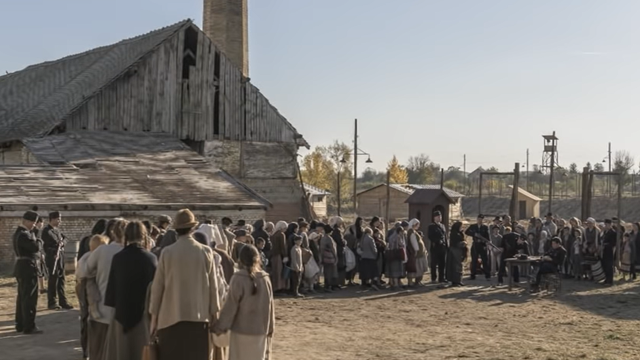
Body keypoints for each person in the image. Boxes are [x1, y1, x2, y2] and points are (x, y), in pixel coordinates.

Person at [150, 209, 221, 360]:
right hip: (199, 318)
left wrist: (154, 319)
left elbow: (157, 289)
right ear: (193, 228)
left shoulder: (167, 252)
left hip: (169, 319)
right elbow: (213, 287)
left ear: (176, 229)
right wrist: (215, 314)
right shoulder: (206, 252)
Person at [103, 221, 157, 360]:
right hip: (143, 317)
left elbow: (111, 293)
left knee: (121, 353)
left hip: (121, 315)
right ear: (144, 236)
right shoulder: (151, 259)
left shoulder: (118, 258)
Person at [213, 245, 275, 360]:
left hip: (240, 332)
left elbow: (230, 306)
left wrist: (220, 326)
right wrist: (270, 328)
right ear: (257, 259)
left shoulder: (238, 278)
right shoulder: (265, 279)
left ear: (240, 259)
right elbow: (270, 306)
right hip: (260, 331)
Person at [83, 219, 128, 360]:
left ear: (113, 232)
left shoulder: (102, 251)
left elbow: (82, 272)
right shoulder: (135, 253)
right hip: (125, 314)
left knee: (98, 351)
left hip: (101, 310)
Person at [76, 234, 108, 360]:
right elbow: (83, 273)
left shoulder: (87, 256)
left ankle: (86, 350)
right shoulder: (89, 257)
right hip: (86, 287)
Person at [13, 210, 43, 335]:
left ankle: (21, 323)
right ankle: (28, 325)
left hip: (23, 267)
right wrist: (39, 237)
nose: (34, 225)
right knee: (29, 298)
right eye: (33, 222)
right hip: (28, 267)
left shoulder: (20, 233)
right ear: (25, 221)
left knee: (23, 297)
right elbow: (35, 247)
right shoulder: (24, 234)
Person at [42, 211, 72, 310]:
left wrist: (62, 243)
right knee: (53, 280)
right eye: (58, 219)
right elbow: (45, 247)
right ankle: (52, 302)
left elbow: (66, 238)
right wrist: (54, 251)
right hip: (53, 259)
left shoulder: (57, 231)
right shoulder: (46, 231)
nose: (60, 221)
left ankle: (63, 301)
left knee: (61, 280)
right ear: (52, 219)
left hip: (61, 258)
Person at [465, 214, 491, 280]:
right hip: (475, 245)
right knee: (474, 260)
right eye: (479, 219)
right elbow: (466, 232)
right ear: (477, 219)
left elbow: (487, 237)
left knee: (485, 260)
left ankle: (487, 275)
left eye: (481, 219)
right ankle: (472, 275)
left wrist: (486, 244)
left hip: (482, 245)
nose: (480, 220)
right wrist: (474, 234)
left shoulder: (485, 227)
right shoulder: (473, 226)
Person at [428, 211, 448, 283]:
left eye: (440, 216)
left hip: (442, 247)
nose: (439, 218)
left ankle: (441, 278)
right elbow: (430, 236)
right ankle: (433, 278)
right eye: (438, 217)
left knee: (442, 263)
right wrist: (437, 241)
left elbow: (445, 236)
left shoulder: (442, 226)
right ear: (434, 218)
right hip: (435, 247)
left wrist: (446, 245)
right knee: (434, 263)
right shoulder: (431, 226)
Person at [406, 219, 427, 286]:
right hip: (417, 254)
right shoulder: (411, 232)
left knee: (419, 268)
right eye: (417, 224)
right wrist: (416, 250)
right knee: (415, 268)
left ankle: (417, 281)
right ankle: (412, 282)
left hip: (420, 253)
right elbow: (414, 242)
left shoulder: (414, 232)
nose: (418, 226)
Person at [386, 223, 407, 290]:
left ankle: (394, 284)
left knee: (393, 270)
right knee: (396, 271)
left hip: (391, 255)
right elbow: (401, 245)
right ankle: (396, 285)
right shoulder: (397, 237)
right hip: (397, 255)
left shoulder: (391, 236)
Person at [319, 223, 338, 292]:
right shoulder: (329, 238)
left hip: (324, 257)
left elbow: (321, 249)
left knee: (326, 272)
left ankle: (326, 286)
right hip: (330, 258)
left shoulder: (323, 238)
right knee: (330, 272)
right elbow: (333, 249)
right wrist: (335, 257)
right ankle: (328, 286)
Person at [446, 221, 467, 287]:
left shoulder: (459, 233)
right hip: (455, 252)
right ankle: (455, 281)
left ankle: (458, 280)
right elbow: (455, 243)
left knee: (459, 266)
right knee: (455, 266)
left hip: (459, 252)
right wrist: (463, 243)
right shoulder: (454, 233)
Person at [32, 217, 47, 295]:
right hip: (37, 255)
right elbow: (37, 244)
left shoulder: (35, 231)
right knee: (39, 271)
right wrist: (40, 253)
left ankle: (42, 288)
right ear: (38, 223)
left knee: (41, 271)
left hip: (38, 254)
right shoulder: (36, 231)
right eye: (42, 222)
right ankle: (40, 288)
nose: (42, 224)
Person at [601, 219, 617, 285]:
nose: (606, 226)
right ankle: (606, 278)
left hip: (610, 251)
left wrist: (605, 245)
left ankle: (610, 280)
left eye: (607, 224)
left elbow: (613, 243)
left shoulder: (613, 232)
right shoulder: (605, 232)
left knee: (609, 266)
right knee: (604, 265)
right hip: (604, 250)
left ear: (610, 224)